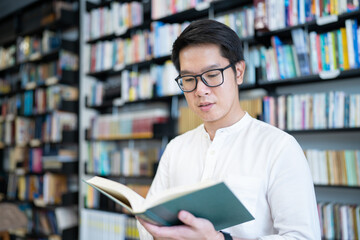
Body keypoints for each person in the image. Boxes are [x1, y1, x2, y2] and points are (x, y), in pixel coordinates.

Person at [137, 19, 321, 240]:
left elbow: (302, 237)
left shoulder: (279, 147)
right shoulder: (175, 149)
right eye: (188, 79)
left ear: (239, 72)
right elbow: (148, 226)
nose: (200, 90)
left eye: (212, 75)